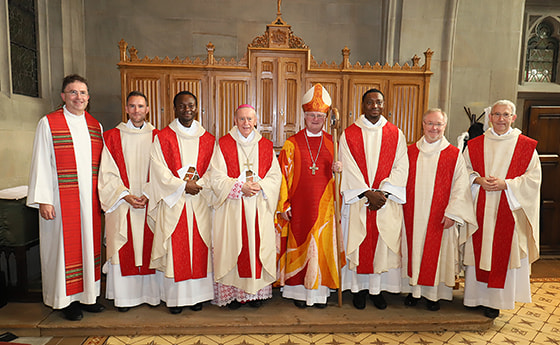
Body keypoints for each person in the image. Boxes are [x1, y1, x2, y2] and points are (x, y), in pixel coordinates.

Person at [27, 74, 105, 321]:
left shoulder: (96, 126)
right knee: (62, 252)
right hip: (61, 203)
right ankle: (65, 301)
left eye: (82, 92)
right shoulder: (49, 123)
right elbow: (40, 161)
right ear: (63, 96)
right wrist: (44, 200)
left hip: (89, 203)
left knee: (89, 249)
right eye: (73, 92)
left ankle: (88, 297)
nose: (78, 97)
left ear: (88, 97)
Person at [462, 100, 541, 318]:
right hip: (481, 206)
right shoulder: (477, 144)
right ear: (490, 117)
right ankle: (474, 298)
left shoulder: (525, 146)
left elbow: (533, 178)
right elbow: (463, 171)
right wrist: (477, 179)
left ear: (513, 118)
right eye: (497, 115)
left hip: (509, 208)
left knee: (500, 253)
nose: (501, 119)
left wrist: (507, 184)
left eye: (506, 115)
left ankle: (495, 301)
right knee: (479, 249)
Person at [146, 91, 215, 314]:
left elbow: (215, 169)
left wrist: (199, 184)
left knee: (198, 246)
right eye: (182, 106)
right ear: (174, 108)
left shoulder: (208, 139)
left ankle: (197, 297)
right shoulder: (163, 137)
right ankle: (175, 299)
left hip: (199, 202)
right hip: (174, 201)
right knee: (176, 250)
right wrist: (182, 186)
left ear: (197, 108)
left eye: (191, 105)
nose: (187, 110)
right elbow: (157, 169)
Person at [339, 88, 408, 310]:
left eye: (378, 102)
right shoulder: (349, 134)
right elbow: (347, 165)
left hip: (384, 201)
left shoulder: (395, 134)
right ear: (363, 105)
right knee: (360, 243)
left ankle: (377, 291)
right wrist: (367, 192)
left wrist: (384, 192)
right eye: (370, 102)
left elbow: (401, 165)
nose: (375, 106)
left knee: (381, 248)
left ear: (384, 104)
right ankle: (358, 290)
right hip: (360, 200)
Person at [401, 108, 477, 311]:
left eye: (438, 124)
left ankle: (433, 295)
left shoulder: (453, 155)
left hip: (441, 216)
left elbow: (461, 187)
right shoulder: (409, 152)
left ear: (445, 126)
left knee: (437, 255)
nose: (434, 128)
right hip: (412, 214)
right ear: (423, 125)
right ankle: (413, 292)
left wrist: (453, 213)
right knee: (413, 251)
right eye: (430, 123)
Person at [276, 84, 344, 308]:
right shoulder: (291, 143)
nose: (315, 119)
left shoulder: (333, 143)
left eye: (320, 115)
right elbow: (282, 176)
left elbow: (341, 183)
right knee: (301, 245)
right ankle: (298, 294)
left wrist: (338, 171)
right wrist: (284, 204)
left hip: (324, 209)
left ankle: (320, 294)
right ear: (304, 116)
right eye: (311, 115)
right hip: (299, 206)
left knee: (321, 248)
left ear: (325, 117)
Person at [211, 104, 282, 309]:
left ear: (256, 121)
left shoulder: (266, 146)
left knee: (256, 247)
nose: (246, 123)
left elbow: (275, 176)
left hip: (259, 207)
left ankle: (256, 294)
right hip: (233, 207)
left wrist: (260, 185)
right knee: (233, 246)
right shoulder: (223, 144)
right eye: (242, 119)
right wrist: (239, 187)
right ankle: (233, 294)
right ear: (235, 121)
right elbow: (216, 177)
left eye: (250, 119)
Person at [98, 91, 161, 312]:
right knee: (124, 246)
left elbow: (162, 172)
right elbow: (106, 173)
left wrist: (149, 193)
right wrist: (125, 195)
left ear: (148, 109)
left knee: (150, 245)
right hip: (122, 203)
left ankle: (152, 296)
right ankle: (124, 299)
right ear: (126, 109)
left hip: (149, 202)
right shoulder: (112, 136)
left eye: (141, 106)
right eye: (132, 106)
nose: (137, 111)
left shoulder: (158, 136)